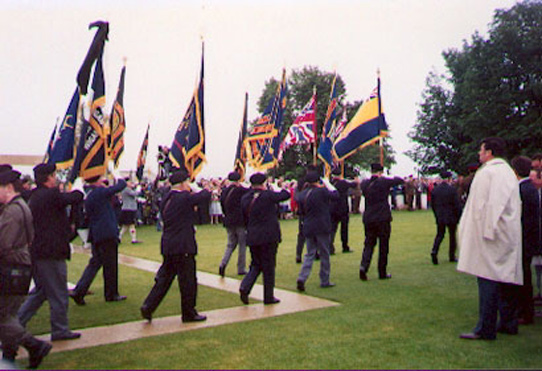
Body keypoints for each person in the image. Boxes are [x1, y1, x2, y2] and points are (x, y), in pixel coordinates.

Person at [458, 137, 522, 340]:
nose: (479, 153)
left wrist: (487, 230)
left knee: (488, 280)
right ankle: (507, 323)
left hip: (492, 235)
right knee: (504, 280)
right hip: (500, 233)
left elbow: (494, 204)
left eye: (481, 149)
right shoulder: (504, 172)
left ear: (490, 152)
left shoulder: (493, 172)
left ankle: (486, 328)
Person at [17, 163, 83, 342]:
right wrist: (79, 184)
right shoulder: (50, 195)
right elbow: (75, 198)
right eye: (54, 175)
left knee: (41, 292)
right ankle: (60, 329)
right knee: (59, 293)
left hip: (38, 252)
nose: (56, 178)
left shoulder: (35, 195)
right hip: (50, 253)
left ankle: (15, 325)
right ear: (49, 178)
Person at [140, 170, 210, 323]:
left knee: (164, 279)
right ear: (183, 184)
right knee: (188, 281)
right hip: (183, 245)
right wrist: (198, 187)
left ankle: (148, 306)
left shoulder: (167, 197)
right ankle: (188, 313)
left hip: (169, 244)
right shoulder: (183, 197)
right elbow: (205, 196)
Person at [0, 169, 52, 369]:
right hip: (20, 269)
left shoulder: (13, 211)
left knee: (4, 318)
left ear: (8, 187)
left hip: (12, 270)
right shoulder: (19, 207)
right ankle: (10, 356)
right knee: (9, 316)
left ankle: (34, 346)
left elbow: (3, 245)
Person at [69, 174, 127, 305]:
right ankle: (111, 294)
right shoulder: (99, 192)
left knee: (95, 264)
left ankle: (80, 290)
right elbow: (120, 186)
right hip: (107, 232)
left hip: (96, 233)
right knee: (111, 265)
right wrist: (119, 176)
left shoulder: (89, 195)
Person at [239, 173, 290, 305]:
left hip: (253, 235)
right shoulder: (267, 195)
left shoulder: (245, 198)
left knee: (256, 264)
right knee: (269, 267)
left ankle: (245, 286)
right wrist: (277, 186)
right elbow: (286, 195)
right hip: (268, 236)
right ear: (264, 183)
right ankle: (268, 296)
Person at [359, 163, 404, 281]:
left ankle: (364, 266)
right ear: (380, 172)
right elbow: (400, 180)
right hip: (382, 217)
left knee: (368, 244)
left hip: (369, 217)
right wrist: (388, 176)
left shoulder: (364, 183)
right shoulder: (384, 182)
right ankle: (382, 271)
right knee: (383, 246)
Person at [295, 171, 338, 292]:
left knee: (309, 254)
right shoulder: (322, 191)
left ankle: (302, 277)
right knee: (324, 253)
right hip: (322, 225)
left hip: (309, 226)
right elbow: (336, 195)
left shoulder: (302, 194)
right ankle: (325, 279)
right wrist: (328, 183)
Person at [511, 156, 540, 325]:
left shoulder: (523, 189)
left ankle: (525, 312)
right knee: (524, 276)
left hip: (524, 240)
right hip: (528, 239)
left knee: (523, 278)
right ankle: (524, 310)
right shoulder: (529, 188)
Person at [218, 172, 249, 277]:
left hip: (228, 220)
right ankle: (241, 268)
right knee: (242, 245)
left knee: (230, 244)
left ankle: (223, 263)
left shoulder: (224, 191)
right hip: (240, 221)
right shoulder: (240, 190)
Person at [430, 170, 462, 264]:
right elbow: (457, 205)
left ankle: (434, 251)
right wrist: (459, 216)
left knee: (440, 235)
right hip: (451, 216)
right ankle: (451, 255)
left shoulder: (435, 190)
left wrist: (436, 214)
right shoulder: (452, 190)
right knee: (452, 236)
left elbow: (433, 204)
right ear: (449, 179)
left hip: (440, 216)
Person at [330, 169, 357, 254]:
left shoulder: (330, 183)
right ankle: (345, 246)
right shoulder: (343, 183)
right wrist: (355, 180)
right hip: (343, 208)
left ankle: (330, 246)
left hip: (333, 209)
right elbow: (354, 185)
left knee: (332, 229)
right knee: (344, 229)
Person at [118, 178, 142, 244]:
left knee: (127, 225)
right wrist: (138, 189)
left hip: (130, 209)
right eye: (130, 182)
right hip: (128, 209)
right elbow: (134, 194)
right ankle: (133, 239)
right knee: (130, 224)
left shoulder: (127, 189)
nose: (131, 184)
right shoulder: (126, 189)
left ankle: (120, 237)